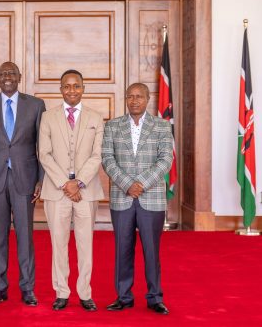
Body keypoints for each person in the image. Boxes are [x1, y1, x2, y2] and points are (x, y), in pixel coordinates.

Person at [0, 61, 45, 306]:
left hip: (25, 179)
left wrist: (41, 179)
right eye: (3, 73)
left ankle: (27, 289)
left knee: (25, 236)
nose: (7, 77)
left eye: (12, 73)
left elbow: (42, 146)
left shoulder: (35, 106)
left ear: (19, 77)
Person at [101, 83, 173, 315]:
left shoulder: (161, 126)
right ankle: (123, 296)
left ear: (148, 99)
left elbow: (165, 160)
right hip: (122, 198)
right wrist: (127, 184)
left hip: (151, 198)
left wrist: (140, 183)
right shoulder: (112, 126)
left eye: (139, 97)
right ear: (125, 99)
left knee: (151, 250)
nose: (134, 101)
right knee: (123, 249)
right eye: (130, 96)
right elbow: (107, 158)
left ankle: (155, 297)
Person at [39, 69, 104, 311]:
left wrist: (79, 182)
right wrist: (65, 183)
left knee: (85, 243)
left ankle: (85, 292)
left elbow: (97, 155)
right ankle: (62, 292)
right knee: (59, 243)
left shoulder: (96, 118)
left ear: (83, 88)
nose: (72, 90)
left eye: (76, 86)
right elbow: (44, 154)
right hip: (57, 191)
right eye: (67, 86)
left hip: (86, 191)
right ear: (61, 89)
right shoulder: (48, 117)